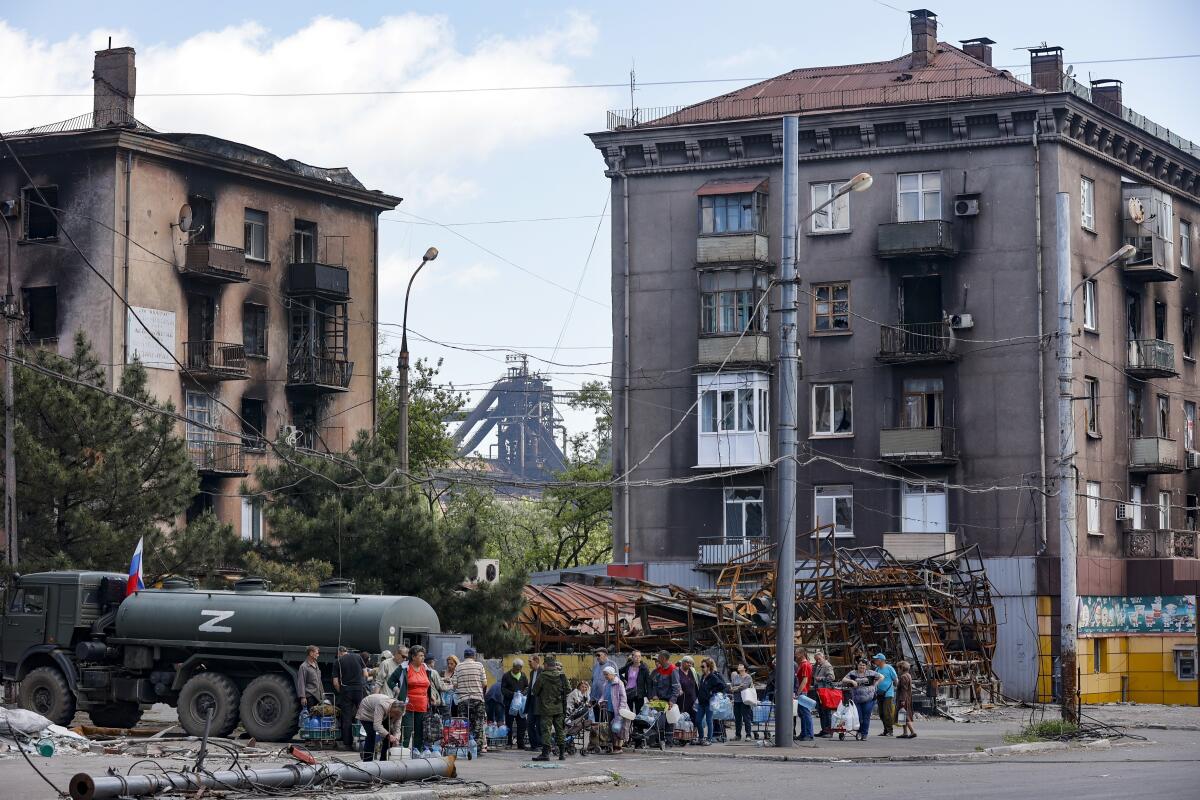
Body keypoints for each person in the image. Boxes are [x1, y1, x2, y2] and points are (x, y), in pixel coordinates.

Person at [389, 645, 436, 751]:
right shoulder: (404, 667)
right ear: (413, 657)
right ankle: (403, 751)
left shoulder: (426, 668)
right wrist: (397, 690)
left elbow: (428, 685)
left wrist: (431, 695)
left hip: (422, 705)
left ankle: (417, 752)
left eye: (423, 655)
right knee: (407, 730)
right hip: (407, 705)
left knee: (420, 731)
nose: (423, 658)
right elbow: (390, 681)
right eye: (420, 655)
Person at [529, 654, 569, 761]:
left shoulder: (543, 676)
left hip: (546, 708)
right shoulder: (562, 675)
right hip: (559, 707)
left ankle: (545, 754)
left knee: (546, 730)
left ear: (546, 664)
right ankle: (561, 754)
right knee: (560, 730)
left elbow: (535, 691)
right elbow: (568, 689)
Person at [451, 647, 489, 754]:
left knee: (463, 724)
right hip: (478, 699)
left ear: (464, 656)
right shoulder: (479, 665)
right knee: (478, 723)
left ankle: (463, 746)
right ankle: (477, 748)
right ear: (474, 656)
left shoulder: (458, 667)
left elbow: (454, 684)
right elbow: (485, 683)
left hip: (463, 700)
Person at [333, 646, 368, 750]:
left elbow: (335, 683)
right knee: (363, 715)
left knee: (346, 717)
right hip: (358, 690)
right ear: (346, 651)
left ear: (339, 653)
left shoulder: (337, 662)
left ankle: (347, 743)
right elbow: (365, 674)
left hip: (346, 690)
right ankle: (365, 739)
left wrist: (341, 691)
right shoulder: (358, 657)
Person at [840, 658, 883, 739]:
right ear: (857, 665)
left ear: (866, 666)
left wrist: (876, 684)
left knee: (866, 716)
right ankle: (859, 732)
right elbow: (843, 679)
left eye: (863, 665)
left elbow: (882, 676)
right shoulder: (853, 673)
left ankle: (864, 734)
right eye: (860, 665)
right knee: (858, 716)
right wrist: (852, 681)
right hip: (856, 698)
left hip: (869, 699)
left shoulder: (871, 673)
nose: (862, 667)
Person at [356, 694, 404, 761]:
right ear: (391, 710)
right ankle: (367, 761)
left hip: (383, 713)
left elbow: (397, 728)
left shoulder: (400, 711)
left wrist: (396, 737)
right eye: (395, 714)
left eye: (398, 715)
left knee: (390, 735)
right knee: (371, 735)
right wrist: (388, 735)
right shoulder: (382, 705)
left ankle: (384, 760)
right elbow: (377, 725)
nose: (396, 717)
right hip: (367, 711)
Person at [649, 651, 682, 745]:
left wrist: (672, 700)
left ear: (663, 658)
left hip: (668, 700)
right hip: (659, 700)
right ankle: (660, 739)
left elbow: (676, 687)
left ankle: (669, 740)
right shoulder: (659, 670)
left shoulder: (673, 669)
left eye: (659, 657)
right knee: (659, 720)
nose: (657, 659)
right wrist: (654, 695)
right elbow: (654, 684)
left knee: (669, 721)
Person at [695, 658, 727, 745]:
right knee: (698, 720)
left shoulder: (712, 677)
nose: (701, 668)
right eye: (701, 666)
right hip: (701, 703)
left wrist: (712, 691)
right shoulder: (702, 676)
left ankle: (709, 739)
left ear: (708, 667)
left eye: (703, 666)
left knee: (709, 721)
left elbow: (722, 686)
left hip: (709, 703)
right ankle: (701, 738)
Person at [501, 658, 530, 749]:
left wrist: (523, 693)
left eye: (520, 668)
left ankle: (520, 743)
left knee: (522, 724)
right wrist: (513, 694)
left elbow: (527, 687)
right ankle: (509, 743)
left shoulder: (523, 675)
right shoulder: (506, 676)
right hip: (509, 705)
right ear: (513, 667)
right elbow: (503, 689)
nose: (518, 670)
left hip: (520, 705)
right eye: (517, 668)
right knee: (509, 723)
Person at [601, 666, 630, 752]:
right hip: (609, 708)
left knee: (619, 727)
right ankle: (613, 746)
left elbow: (623, 697)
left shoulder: (619, 683)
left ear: (612, 674)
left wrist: (621, 709)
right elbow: (603, 695)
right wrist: (600, 701)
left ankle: (619, 746)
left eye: (606, 674)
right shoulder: (605, 684)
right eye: (604, 675)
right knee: (611, 728)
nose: (605, 676)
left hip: (619, 709)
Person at [872, 652, 899, 737]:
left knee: (887, 712)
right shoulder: (877, 669)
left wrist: (897, 690)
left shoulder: (889, 668)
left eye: (876, 659)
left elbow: (895, 680)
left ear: (881, 660)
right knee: (881, 713)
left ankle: (890, 730)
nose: (875, 661)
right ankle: (885, 730)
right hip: (879, 693)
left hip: (888, 693)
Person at [812, 650, 837, 737]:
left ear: (823, 657)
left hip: (825, 691)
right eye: (816, 660)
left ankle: (829, 731)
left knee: (826, 711)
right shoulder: (819, 666)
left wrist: (821, 678)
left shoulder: (827, 665)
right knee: (821, 711)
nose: (817, 661)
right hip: (819, 691)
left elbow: (832, 677)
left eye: (819, 659)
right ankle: (824, 730)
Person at [727, 663, 754, 741]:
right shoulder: (736, 677)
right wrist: (736, 687)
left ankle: (748, 735)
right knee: (737, 718)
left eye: (741, 666)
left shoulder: (748, 677)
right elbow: (732, 686)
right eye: (738, 666)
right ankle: (737, 735)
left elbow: (744, 686)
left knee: (746, 718)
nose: (739, 667)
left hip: (745, 700)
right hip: (736, 700)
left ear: (744, 668)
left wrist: (736, 688)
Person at [795, 649, 814, 741]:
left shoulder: (805, 665)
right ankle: (804, 733)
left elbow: (804, 680)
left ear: (801, 654)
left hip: (803, 691)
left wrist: (798, 692)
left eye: (796, 654)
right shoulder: (803, 664)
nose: (795, 655)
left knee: (805, 713)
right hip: (803, 690)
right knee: (802, 713)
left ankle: (809, 734)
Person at [526, 655, 544, 751]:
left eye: (530, 661)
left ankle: (540, 744)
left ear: (536, 661)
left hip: (540, 702)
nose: (528, 663)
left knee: (539, 724)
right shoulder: (532, 673)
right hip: (532, 701)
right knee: (529, 723)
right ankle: (533, 744)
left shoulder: (543, 672)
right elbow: (531, 687)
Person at [296, 645, 323, 710]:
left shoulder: (316, 664)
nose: (318, 655)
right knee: (311, 717)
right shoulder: (303, 666)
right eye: (317, 653)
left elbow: (319, 681)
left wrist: (322, 694)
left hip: (318, 697)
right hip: (310, 697)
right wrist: (303, 697)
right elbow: (301, 682)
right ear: (311, 653)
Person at [896, 661, 917, 739]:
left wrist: (902, 700)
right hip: (907, 698)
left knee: (905, 715)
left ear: (902, 668)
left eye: (898, 668)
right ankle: (905, 732)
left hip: (903, 698)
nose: (897, 670)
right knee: (903, 715)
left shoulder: (903, 677)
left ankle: (912, 731)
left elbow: (904, 690)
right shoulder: (908, 675)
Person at [676, 656, 699, 727]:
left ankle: (693, 734)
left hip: (693, 699)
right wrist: (679, 688)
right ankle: (682, 734)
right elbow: (675, 682)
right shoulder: (677, 671)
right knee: (682, 718)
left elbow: (697, 684)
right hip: (681, 700)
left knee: (694, 718)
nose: (689, 664)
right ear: (682, 663)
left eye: (690, 663)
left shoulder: (693, 671)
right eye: (687, 662)